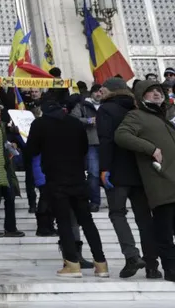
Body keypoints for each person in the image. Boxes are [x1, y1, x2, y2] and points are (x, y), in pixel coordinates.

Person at [26, 89, 108, 278]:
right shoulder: (74, 123)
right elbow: (84, 148)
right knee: (87, 221)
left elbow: (31, 150)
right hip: (78, 177)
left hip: (56, 179)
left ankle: (72, 263)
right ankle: (101, 263)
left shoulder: (40, 124)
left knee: (63, 221)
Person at [97, 77, 161, 279]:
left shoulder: (106, 110)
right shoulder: (138, 108)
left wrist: (104, 168)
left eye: (103, 90)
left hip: (116, 171)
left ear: (111, 91)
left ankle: (132, 256)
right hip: (140, 172)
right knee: (144, 219)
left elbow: (106, 140)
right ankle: (152, 265)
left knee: (117, 213)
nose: (100, 93)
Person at [115, 79, 175, 283]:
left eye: (159, 90)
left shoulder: (163, 117)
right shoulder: (136, 115)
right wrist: (151, 148)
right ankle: (171, 269)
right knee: (165, 232)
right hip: (161, 183)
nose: (157, 94)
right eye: (151, 92)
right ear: (141, 97)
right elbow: (121, 135)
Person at [0, 101, 24, 238]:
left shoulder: (0, 126)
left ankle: (10, 228)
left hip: (5, 165)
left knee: (10, 195)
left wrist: (9, 145)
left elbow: (2, 144)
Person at [72, 85, 102, 212]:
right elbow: (73, 119)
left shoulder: (107, 105)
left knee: (110, 172)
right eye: (96, 92)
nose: (99, 94)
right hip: (91, 143)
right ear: (91, 93)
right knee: (93, 173)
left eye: (101, 92)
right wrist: (88, 120)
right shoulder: (82, 105)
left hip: (107, 143)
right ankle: (95, 201)